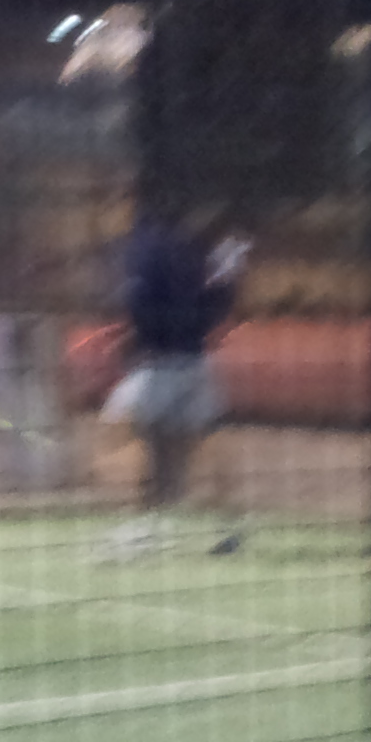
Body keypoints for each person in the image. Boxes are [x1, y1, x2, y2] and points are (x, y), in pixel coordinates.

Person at [101, 205, 244, 552]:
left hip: (157, 363)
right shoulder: (189, 248)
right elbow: (213, 306)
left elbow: (137, 299)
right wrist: (228, 281)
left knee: (120, 432)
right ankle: (229, 528)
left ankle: (141, 529)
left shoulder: (140, 245)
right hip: (195, 360)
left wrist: (135, 338)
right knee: (204, 440)